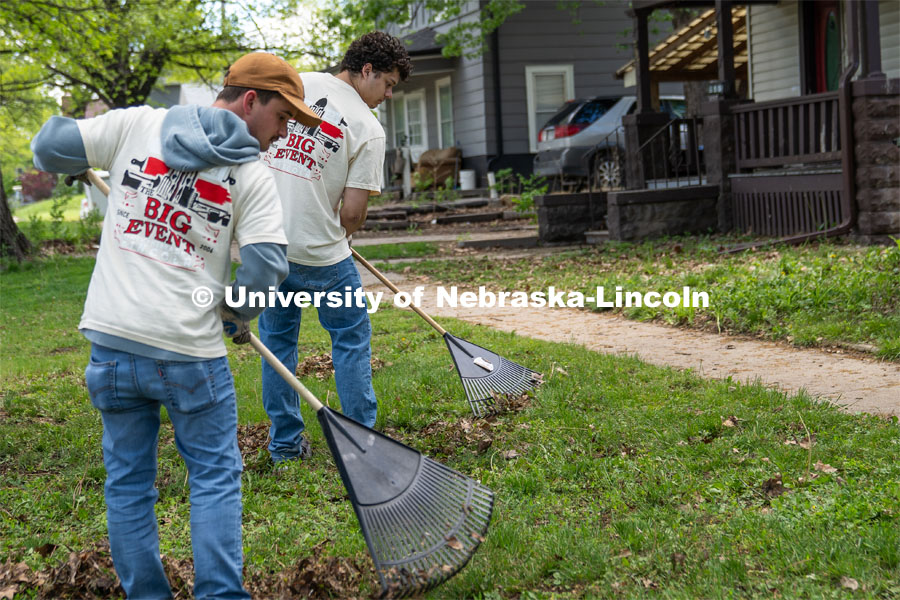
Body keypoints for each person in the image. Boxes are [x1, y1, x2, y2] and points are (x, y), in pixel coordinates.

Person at [30, 52, 321, 599]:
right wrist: (237, 312)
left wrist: (79, 156)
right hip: (190, 353)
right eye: (283, 119)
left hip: (114, 347)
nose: (282, 136)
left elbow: (49, 145)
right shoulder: (252, 176)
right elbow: (265, 269)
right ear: (251, 100)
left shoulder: (136, 124)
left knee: (129, 485)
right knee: (213, 479)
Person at [258, 31, 411, 464]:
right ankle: (362, 445)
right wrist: (348, 229)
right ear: (368, 71)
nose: (388, 94)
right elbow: (352, 214)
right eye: (388, 84)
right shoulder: (367, 127)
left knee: (276, 345)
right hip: (324, 257)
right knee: (349, 340)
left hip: (268, 250)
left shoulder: (295, 85)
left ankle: (285, 446)